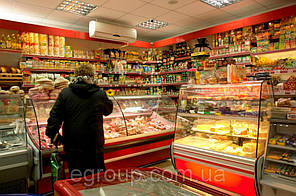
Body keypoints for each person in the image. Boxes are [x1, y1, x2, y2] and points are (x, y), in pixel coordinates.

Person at [46, 64, 113, 178]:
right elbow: (108, 110)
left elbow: (54, 117)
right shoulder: (99, 94)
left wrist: (55, 136)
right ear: (92, 77)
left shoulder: (65, 93)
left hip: (73, 146)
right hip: (94, 146)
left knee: (76, 179)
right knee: (95, 179)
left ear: (76, 76)